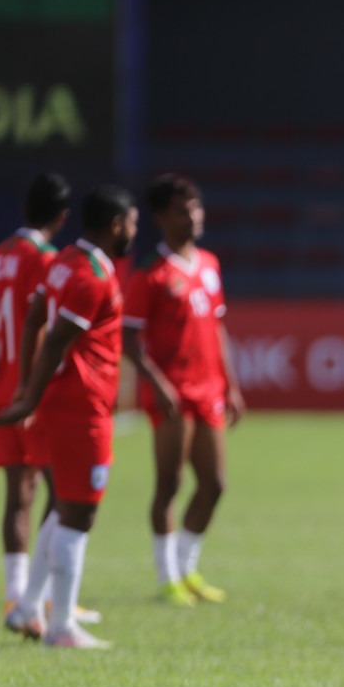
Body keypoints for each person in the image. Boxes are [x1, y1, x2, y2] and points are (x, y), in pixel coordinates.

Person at [0, 185, 138, 649]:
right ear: (116, 225)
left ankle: (28, 607)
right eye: (133, 222)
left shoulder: (63, 262)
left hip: (66, 403)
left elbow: (35, 316)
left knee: (61, 506)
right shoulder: (90, 275)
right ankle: (61, 629)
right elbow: (55, 337)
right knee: (81, 512)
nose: (135, 230)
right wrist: (28, 398)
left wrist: (26, 388)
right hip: (80, 408)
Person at [122, 174, 243, 606]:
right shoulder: (150, 276)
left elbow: (217, 326)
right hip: (171, 394)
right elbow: (128, 338)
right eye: (182, 210)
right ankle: (166, 576)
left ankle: (187, 568)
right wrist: (156, 382)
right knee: (169, 484)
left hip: (209, 389)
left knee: (215, 484)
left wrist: (231, 385)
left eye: (196, 207)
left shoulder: (209, 264)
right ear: (160, 218)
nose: (193, 216)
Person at [0, 173, 67, 618]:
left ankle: (18, 592)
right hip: (32, 390)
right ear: (61, 216)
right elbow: (47, 327)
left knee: (18, 494)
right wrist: (31, 388)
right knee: (64, 492)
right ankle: (45, 592)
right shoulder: (48, 259)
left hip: (2, 384)